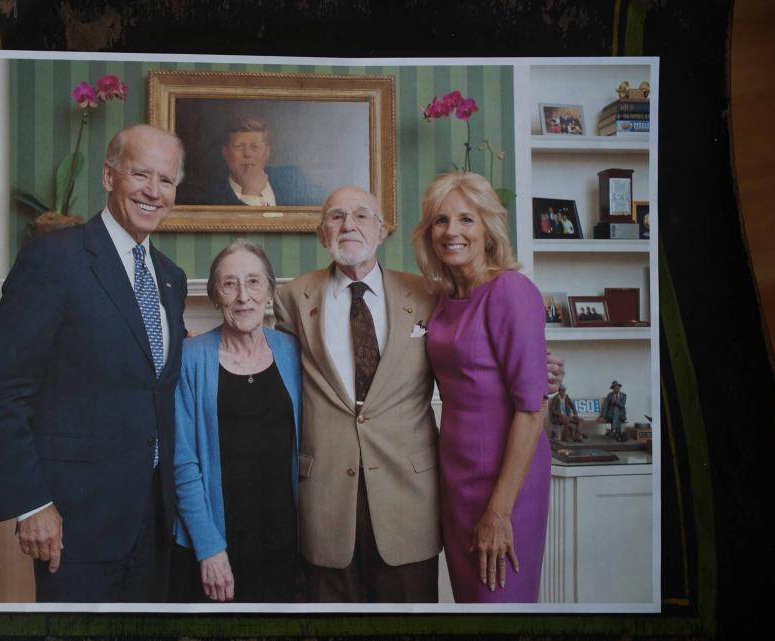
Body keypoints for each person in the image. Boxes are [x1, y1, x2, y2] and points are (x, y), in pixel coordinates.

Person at [274, 186, 564, 603]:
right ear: (322, 233)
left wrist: (542, 372)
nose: (348, 225)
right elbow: (277, 380)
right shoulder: (293, 298)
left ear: (383, 229)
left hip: (411, 492)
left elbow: (508, 367)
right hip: (333, 494)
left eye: (361, 215)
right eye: (336, 217)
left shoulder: (427, 295)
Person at [0, 124, 188, 602]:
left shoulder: (170, 279)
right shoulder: (54, 259)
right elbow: (2, 391)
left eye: (167, 180)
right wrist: (32, 503)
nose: (154, 192)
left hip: (153, 521)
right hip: (73, 523)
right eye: (141, 174)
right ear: (109, 176)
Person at [413, 171, 550, 603]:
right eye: (440, 220)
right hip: (455, 481)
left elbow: (532, 408)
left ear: (488, 229)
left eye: (466, 219)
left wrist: (499, 510)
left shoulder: (511, 291)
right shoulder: (442, 300)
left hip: (505, 484)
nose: (452, 231)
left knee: (499, 606)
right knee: (468, 607)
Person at [171, 240, 301, 603]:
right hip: (217, 542)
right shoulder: (190, 359)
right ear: (215, 296)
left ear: (270, 291)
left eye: (254, 282)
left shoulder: (293, 353)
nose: (243, 296)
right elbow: (183, 463)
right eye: (230, 284)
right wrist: (209, 549)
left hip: (285, 539)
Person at [179, 116, 321, 206]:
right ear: (225, 151)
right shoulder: (205, 196)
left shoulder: (292, 178)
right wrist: (250, 194)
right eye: (239, 147)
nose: (247, 154)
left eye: (255, 147)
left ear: (267, 152)